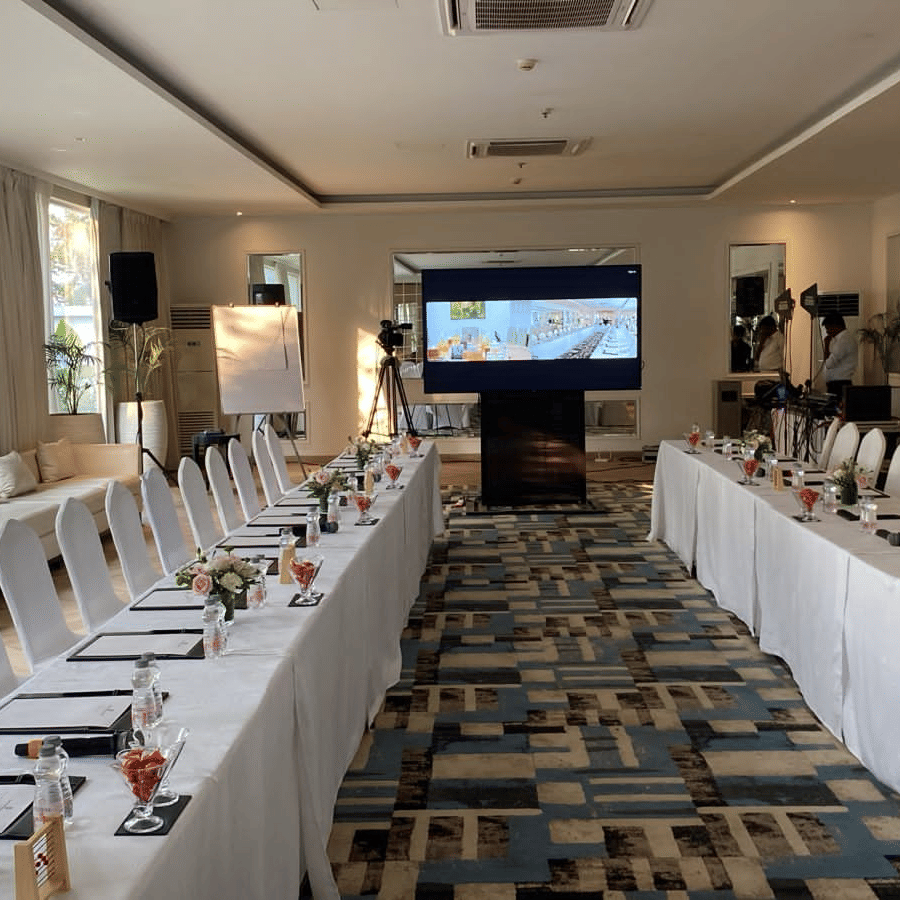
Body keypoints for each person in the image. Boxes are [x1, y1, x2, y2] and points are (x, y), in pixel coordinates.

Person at [822, 312, 857, 397]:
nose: (827, 332)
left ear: (836, 326)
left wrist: (826, 346)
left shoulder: (844, 340)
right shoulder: (838, 340)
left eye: (828, 328)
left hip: (839, 385)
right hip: (835, 384)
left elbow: (829, 364)